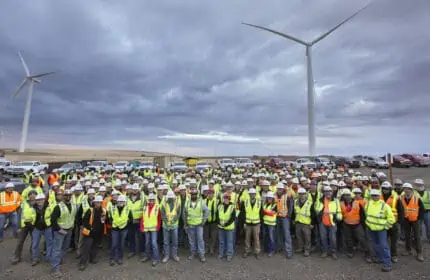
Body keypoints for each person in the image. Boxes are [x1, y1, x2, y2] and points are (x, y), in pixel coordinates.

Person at [365, 188, 395, 272]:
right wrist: (368, 225)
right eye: (373, 195)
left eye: (376, 195)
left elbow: (391, 219)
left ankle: (387, 264)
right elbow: (367, 215)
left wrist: (386, 227)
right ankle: (379, 258)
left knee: (383, 246)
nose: (374, 197)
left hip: (381, 230)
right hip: (371, 229)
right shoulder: (368, 204)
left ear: (379, 196)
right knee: (375, 244)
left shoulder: (384, 206)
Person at [339, 189, 371, 263]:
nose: (347, 197)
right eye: (345, 195)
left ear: (351, 195)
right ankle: (351, 251)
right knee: (349, 239)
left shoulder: (357, 203)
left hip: (357, 224)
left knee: (362, 239)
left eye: (348, 195)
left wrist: (363, 225)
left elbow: (362, 214)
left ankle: (367, 253)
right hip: (346, 224)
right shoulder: (341, 203)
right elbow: (340, 214)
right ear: (343, 196)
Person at [50, 189, 76, 278]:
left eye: (69, 195)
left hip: (69, 230)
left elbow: (73, 217)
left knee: (64, 248)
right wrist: (59, 229)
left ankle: (59, 260)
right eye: (66, 195)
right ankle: (55, 268)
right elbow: (53, 220)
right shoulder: (58, 207)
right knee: (57, 249)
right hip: (60, 231)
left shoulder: (73, 205)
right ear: (63, 196)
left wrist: (71, 228)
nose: (68, 197)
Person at [79, 195, 106, 271]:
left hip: (98, 233)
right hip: (90, 232)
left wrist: (105, 219)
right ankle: (82, 263)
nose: (98, 204)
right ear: (94, 203)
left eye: (100, 203)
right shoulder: (90, 210)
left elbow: (105, 221)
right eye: (97, 202)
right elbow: (84, 220)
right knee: (86, 247)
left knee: (94, 247)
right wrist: (90, 228)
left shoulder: (103, 210)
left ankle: (92, 259)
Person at [315, 186, 342, 259]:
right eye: (326, 191)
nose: (328, 193)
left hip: (332, 222)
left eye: (329, 191)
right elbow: (317, 210)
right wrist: (320, 212)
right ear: (324, 193)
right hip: (322, 222)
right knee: (323, 238)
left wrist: (338, 217)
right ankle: (325, 251)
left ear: (332, 192)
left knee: (332, 238)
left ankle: (333, 252)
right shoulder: (320, 200)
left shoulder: (336, 201)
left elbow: (339, 211)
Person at [10, 190, 37, 265]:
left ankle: (33, 256)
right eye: (30, 194)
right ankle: (16, 257)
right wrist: (18, 227)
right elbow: (19, 215)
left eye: (34, 194)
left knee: (34, 241)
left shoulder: (38, 204)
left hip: (33, 226)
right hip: (24, 226)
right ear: (28, 196)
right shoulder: (24, 203)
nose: (32, 195)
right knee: (20, 242)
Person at [400, 183, 425, 262]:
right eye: (405, 189)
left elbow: (422, 209)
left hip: (415, 220)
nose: (406, 190)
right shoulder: (401, 198)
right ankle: (408, 250)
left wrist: (419, 218)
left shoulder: (416, 198)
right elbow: (399, 209)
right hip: (406, 220)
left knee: (417, 236)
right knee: (407, 236)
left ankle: (419, 253)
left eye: (408, 189)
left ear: (411, 190)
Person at [380, 181, 404, 263]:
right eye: (383, 188)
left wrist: (399, 222)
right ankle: (385, 254)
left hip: (394, 223)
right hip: (383, 223)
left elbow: (401, 210)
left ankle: (394, 255)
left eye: (386, 189)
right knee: (384, 240)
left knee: (394, 241)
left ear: (390, 189)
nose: (385, 190)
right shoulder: (379, 197)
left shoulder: (395, 197)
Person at [183, 188, 209, 262]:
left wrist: (203, 221)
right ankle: (193, 253)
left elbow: (207, 211)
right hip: (190, 225)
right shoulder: (187, 202)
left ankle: (201, 255)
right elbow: (184, 213)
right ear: (190, 195)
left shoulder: (201, 202)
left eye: (195, 194)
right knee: (192, 241)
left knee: (200, 240)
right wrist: (185, 224)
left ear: (197, 195)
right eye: (192, 194)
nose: (193, 196)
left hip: (199, 225)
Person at [109, 195, 132, 266]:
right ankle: (112, 258)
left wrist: (126, 224)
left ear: (124, 202)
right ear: (117, 201)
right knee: (114, 244)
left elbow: (130, 219)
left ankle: (120, 258)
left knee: (121, 245)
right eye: (119, 201)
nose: (121, 202)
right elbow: (109, 218)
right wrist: (113, 222)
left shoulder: (128, 209)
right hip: (115, 229)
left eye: (122, 201)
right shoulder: (112, 208)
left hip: (124, 229)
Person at [31, 193, 53, 266]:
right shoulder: (32, 208)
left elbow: (52, 216)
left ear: (44, 200)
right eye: (38, 200)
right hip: (36, 228)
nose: (40, 201)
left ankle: (49, 257)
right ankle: (35, 258)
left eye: (41, 200)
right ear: (36, 201)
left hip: (47, 228)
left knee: (49, 243)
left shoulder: (49, 207)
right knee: (34, 244)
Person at [140, 193, 161, 266]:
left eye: (153, 200)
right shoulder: (145, 207)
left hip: (154, 228)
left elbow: (159, 219)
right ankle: (147, 256)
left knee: (154, 243)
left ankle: (156, 258)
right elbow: (142, 218)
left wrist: (158, 227)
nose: (151, 201)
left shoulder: (157, 207)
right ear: (148, 200)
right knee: (147, 243)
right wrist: (142, 227)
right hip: (146, 228)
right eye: (150, 200)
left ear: (155, 200)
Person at [161, 190, 181, 263]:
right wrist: (166, 223)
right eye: (169, 198)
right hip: (165, 226)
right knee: (166, 241)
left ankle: (174, 255)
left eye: (171, 198)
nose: (170, 199)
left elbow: (179, 213)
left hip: (174, 225)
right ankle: (166, 256)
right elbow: (162, 214)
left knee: (175, 241)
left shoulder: (177, 202)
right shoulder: (163, 203)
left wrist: (173, 221)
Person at [294, 188, 315, 257]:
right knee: (299, 236)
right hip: (298, 222)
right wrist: (293, 220)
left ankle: (307, 250)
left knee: (307, 237)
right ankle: (300, 248)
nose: (302, 195)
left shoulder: (310, 203)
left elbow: (313, 214)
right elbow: (294, 212)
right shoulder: (296, 201)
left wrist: (312, 223)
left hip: (306, 223)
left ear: (306, 195)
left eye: (303, 194)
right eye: (300, 194)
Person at [274, 183, 293, 258]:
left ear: (283, 189)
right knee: (278, 233)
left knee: (286, 234)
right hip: (277, 217)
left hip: (285, 218)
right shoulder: (274, 195)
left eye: (281, 189)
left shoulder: (287, 196)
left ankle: (289, 251)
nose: (279, 190)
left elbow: (291, 206)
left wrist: (288, 216)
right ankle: (279, 247)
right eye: (278, 189)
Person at [241, 188, 262, 259]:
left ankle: (257, 252)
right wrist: (244, 222)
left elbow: (261, 213)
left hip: (256, 223)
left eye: (253, 194)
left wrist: (260, 223)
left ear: (255, 194)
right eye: (251, 194)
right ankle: (247, 251)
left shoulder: (259, 202)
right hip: (248, 223)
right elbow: (243, 213)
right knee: (247, 238)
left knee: (257, 239)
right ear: (249, 194)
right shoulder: (245, 202)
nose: (252, 195)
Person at [217, 193, 236, 261]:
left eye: (227, 198)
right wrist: (219, 222)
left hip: (229, 227)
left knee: (229, 242)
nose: (226, 200)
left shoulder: (232, 207)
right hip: (220, 227)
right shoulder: (219, 206)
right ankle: (221, 254)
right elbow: (217, 216)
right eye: (225, 198)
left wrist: (225, 224)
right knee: (222, 241)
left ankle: (229, 255)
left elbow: (233, 218)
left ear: (229, 199)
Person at [203, 187, 218, 255]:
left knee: (213, 236)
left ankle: (212, 248)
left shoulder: (216, 201)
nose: (211, 195)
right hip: (206, 222)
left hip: (214, 222)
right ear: (207, 194)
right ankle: (206, 248)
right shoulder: (203, 201)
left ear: (214, 194)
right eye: (209, 193)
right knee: (205, 236)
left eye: (212, 193)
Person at [262, 191, 277, 257]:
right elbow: (263, 213)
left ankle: (272, 250)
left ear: (273, 199)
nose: (269, 199)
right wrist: (267, 212)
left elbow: (272, 213)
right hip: (265, 223)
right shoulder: (265, 204)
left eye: (270, 198)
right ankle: (267, 249)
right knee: (266, 237)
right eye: (268, 198)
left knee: (271, 238)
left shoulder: (275, 205)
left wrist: (265, 212)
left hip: (271, 224)